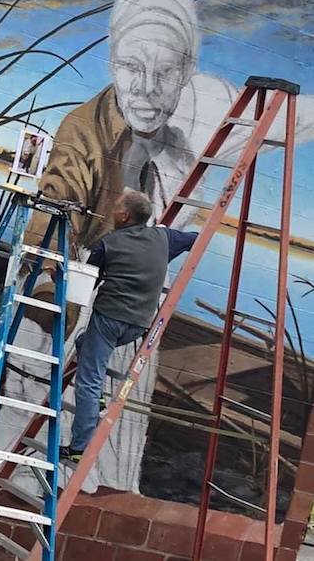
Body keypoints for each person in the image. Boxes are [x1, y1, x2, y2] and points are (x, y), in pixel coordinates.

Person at [61, 189, 197, 463]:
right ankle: (97, 399)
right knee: (83, 345)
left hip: (109, 319)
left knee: (88, 379)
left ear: (124, 216)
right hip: (138, 325)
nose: (112, 210)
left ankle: (78, 448)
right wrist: (161, 249)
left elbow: (87, 284)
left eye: (116, 207)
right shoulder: (165, 238)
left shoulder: (108, 243)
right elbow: (197, 239)